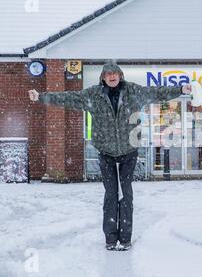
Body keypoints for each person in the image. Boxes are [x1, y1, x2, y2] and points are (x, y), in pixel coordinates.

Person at [29, 61, 192, 251]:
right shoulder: (94, 95)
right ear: (103, 77)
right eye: (108, 74)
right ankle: (110, 238)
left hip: (128, 153)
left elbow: (157, 93)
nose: (112, 76)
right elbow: (69, 97)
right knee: (111, 195)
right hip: (106, 153)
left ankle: (125, 238)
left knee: (126, 195)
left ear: (120, 75)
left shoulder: (133, 92)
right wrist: (41, 97)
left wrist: (180, 89)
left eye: (115, 73)